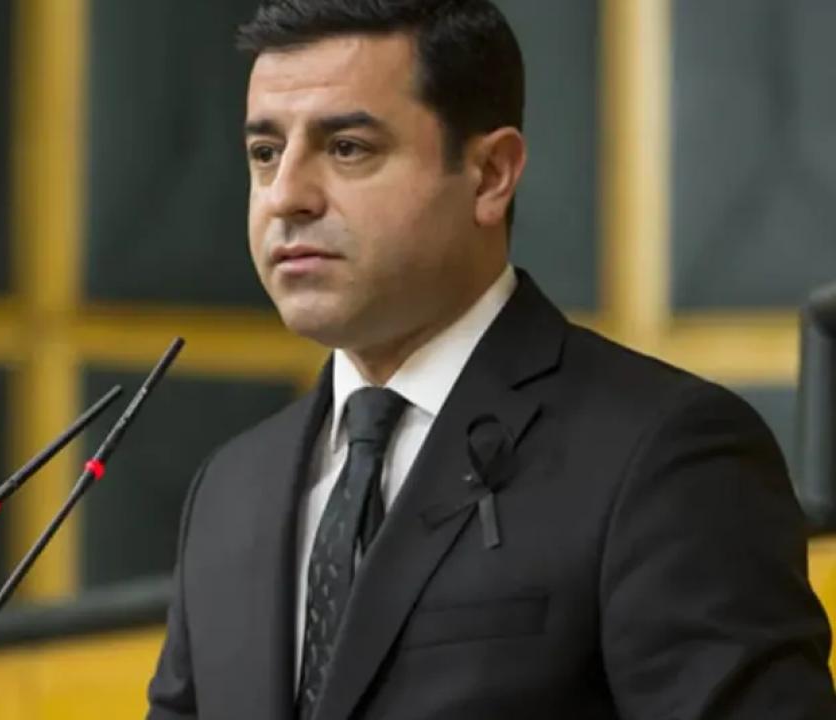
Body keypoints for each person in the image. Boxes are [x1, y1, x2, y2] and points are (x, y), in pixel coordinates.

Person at [144, 1, 836, 718]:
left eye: (347, 148)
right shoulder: (231, 487)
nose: (286, 196)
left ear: (489, 175)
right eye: (265, 153)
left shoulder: (666, 455)